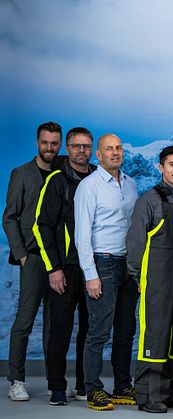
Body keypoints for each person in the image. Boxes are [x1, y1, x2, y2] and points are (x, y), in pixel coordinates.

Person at [126, 146, 173, 413]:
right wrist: (138, 277)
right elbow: (135, 244)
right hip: (157, 275)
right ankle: (148, 394)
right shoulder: (149, 200)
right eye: (172, 164)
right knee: (155, 332)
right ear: (160, 167)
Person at [74, 133, 139, 411]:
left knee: (125, 330)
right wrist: (90, 274)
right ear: (98, 155)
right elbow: (81, 234)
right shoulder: (89, 187)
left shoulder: (131, 185)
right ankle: (93, 388)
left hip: (128, 265)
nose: (115, 153)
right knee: (99, 330)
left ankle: (123, 385)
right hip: (103, 263)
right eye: (108, 149)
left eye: (119, 148)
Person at [33, 127, 95, 405]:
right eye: (76, 146)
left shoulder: (98, 178)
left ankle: (84, 383)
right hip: (66, 266)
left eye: (86, 146)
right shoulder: (57, 180)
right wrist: (53, 268)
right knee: (60, 327)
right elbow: (42, 225)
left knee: (90, 328)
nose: (81, 151)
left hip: (92, 266)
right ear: (67, 148)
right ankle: (56, 386)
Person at [3, 121, 62, 401]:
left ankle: (55, 382)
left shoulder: (64, 172)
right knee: (25, 321)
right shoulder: (22, 174)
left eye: (54, 143)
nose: (49, 147)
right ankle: (16, 379)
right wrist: (23, 255)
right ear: (37, 143)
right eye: (45, 142)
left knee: (55, 323)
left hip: (59, 259)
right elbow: (10, 217)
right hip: (34, 258)